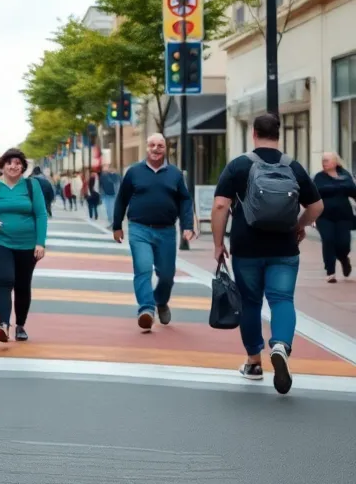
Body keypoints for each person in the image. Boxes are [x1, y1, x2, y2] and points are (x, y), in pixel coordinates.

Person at [211, 113, 324, 395]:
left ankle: (253, 363)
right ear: (279, 134)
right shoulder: (293, 166)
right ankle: (281, 345)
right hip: (284, 248)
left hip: (246, 248)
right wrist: (299, 226)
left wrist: (217, 244)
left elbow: (220, 207)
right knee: (282, 299)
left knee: (250, 303)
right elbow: (317, 206)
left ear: (253, 133)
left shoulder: (239, 166)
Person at [111, 134, 195, 332]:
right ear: (146, 148)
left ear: (165, 149)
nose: (156, 149)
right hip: (139, 229)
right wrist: (116, 225)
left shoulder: (175, 174)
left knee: (167, 275)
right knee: (143, 269)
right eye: (152, 145)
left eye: (160, 145)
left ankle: (161, 301)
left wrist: (188, 226)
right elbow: (122, 199)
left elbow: (185, 200)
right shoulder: (134, 172)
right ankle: (146, 311)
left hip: (166, 231)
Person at [0, 147, 48, 342]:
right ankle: (3, 325)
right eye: (9, 162)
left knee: (23, 285)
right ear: (2, 165)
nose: (13, 166)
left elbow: (41, 214)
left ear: (23, 167)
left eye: (18, 163)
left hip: (27, 244)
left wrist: (40, 243)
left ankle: (20, 325)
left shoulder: (32, 186)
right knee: (6, 280)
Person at [314, 152, 356, 282]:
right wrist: (339, 186)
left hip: (343, 216)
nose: (324, 163)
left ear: (335, 162)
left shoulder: (345, 175)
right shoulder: (319, 177)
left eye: (327, 160)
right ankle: (330, 272)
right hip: (324, 216)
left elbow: (352, 190)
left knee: (344, 244)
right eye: (323, 160)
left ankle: (344, 259)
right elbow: (318, 190)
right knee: (328, 240)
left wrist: (336, 187)